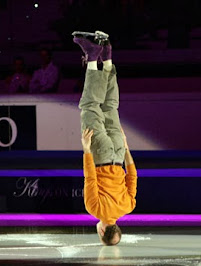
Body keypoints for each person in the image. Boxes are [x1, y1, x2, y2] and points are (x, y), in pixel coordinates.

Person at [74, 31, 137, 246]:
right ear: (102, 232)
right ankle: (93, 57)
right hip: (100, 154)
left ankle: (107, 55)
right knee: (90, 106)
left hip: (119, 152)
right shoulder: (94, 209)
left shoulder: (128, 207)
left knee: (110, 106)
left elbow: (133, 176)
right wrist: (86, 150)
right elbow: (90, 178)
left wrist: (127, 149)